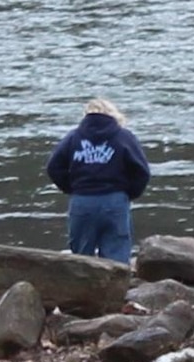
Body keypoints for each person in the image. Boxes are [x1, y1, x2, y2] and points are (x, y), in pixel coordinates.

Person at [46, 96, 152, 263]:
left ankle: (84, 287)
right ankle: (117, 287)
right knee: (116, 251)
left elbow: (53, 167)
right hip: (115, 200)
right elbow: (141, 170)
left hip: (82, 200)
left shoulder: (74, 137)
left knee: (81, 255)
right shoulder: (123, 136)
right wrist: (129, 193)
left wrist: (71, 188)